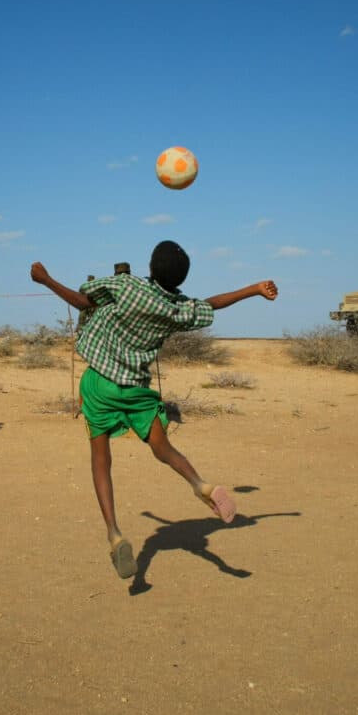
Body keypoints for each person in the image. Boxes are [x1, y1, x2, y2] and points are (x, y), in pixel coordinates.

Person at [30, 240, 278, 579]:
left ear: (149, 267)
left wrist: (45, 279)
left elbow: (81, 299)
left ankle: (115, 534)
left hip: (99, 385)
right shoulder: (177, 309)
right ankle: (200, 484)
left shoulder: (125, 286)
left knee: (101, 460)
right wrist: (254, 289)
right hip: (137, 391)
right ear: (180, 280)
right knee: (162, 447)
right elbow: (211, 304)